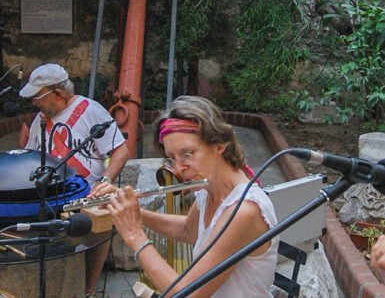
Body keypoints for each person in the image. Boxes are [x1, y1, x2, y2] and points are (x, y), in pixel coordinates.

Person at [92, 96, 279, 297]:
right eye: (172, 158)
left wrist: (134, 234)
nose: (179, 168)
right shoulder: (208, 189)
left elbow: (189, 294)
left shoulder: (244, 210)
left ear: (219, 145)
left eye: (188, 154)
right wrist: (135, 212)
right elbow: (187, 230)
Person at [19, 63, 130, 297]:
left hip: (87, 190)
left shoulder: (90, 110)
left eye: (37, 96)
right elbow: (31, 156)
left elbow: (121, 150)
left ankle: (89, 290)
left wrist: (106, 180)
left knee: (98, 221)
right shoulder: (40, 118)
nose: (34, 102)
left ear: (57, 93)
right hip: (49, 196)